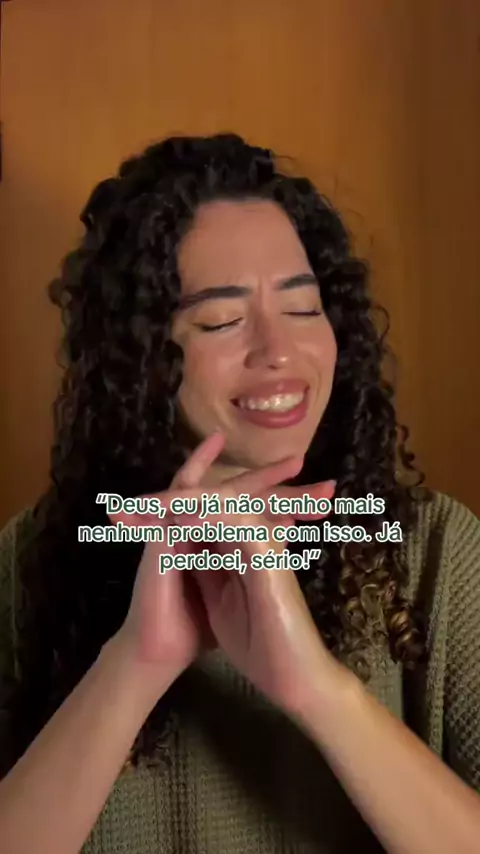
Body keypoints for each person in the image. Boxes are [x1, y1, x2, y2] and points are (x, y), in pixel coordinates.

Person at [0, 133, 478, 854]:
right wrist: (133, 664)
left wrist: (318, 690)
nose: (279, 352)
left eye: (304, 308)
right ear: (140, 356)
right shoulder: (28, 564)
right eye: (221, 321)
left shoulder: (440, 553)